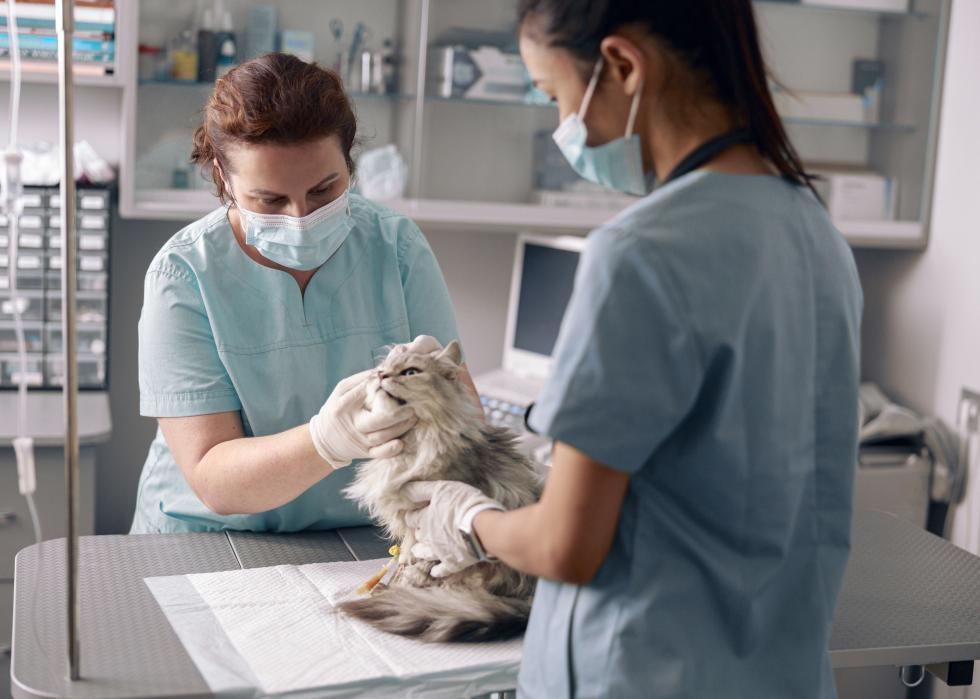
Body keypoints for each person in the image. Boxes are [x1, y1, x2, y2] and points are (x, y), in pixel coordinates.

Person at [403, 1, 863, 697]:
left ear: (620, 65)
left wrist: (469, 519)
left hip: (645, 671)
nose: (563, 125)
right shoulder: (815, 232)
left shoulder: (641, 252)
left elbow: (567, 545)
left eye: (556, 95)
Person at [131, 53, 475, 534]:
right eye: (269, 200)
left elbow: (461, 417)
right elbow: (213, 476)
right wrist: (327, 441)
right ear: (223, 177)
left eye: (324, 190)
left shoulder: (395, 247)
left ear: (349, 164)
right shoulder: (184, 273)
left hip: (362, 535)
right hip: (211, 537)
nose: (300, 217)